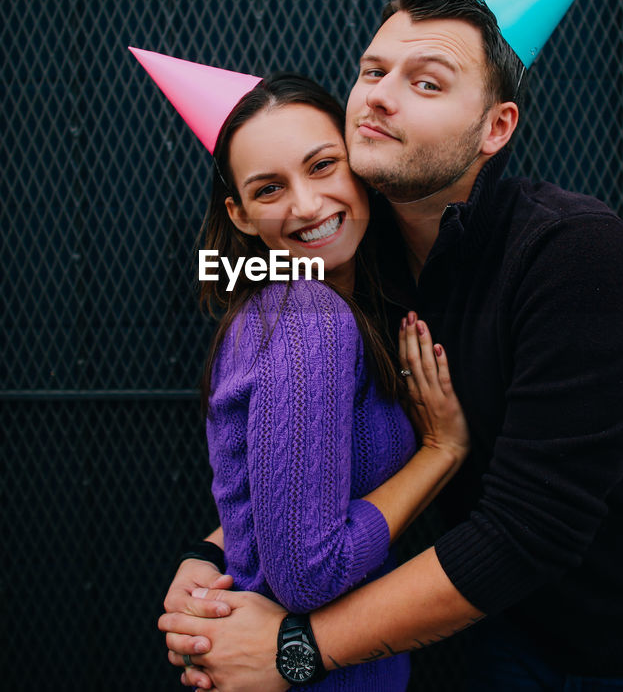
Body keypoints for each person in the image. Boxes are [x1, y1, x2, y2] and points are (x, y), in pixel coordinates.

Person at [158, 0, 623, 691]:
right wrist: (209, 559)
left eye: (427, 82)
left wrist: (293, 649)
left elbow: (529, 528)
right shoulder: (350, 255)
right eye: (372, 72)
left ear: (495, 127)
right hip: (504, 624)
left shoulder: (575, 252)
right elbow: (291, 445)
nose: (380, 98)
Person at [153, 65, 472, 691]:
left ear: (359, 163)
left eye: (323, 165)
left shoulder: (321, 307)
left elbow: (285, 496)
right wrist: (442, 450)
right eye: (269, 190)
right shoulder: (308, 318)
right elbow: (309, 573)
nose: (306, 205)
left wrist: (210, 551)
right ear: (240, 216)